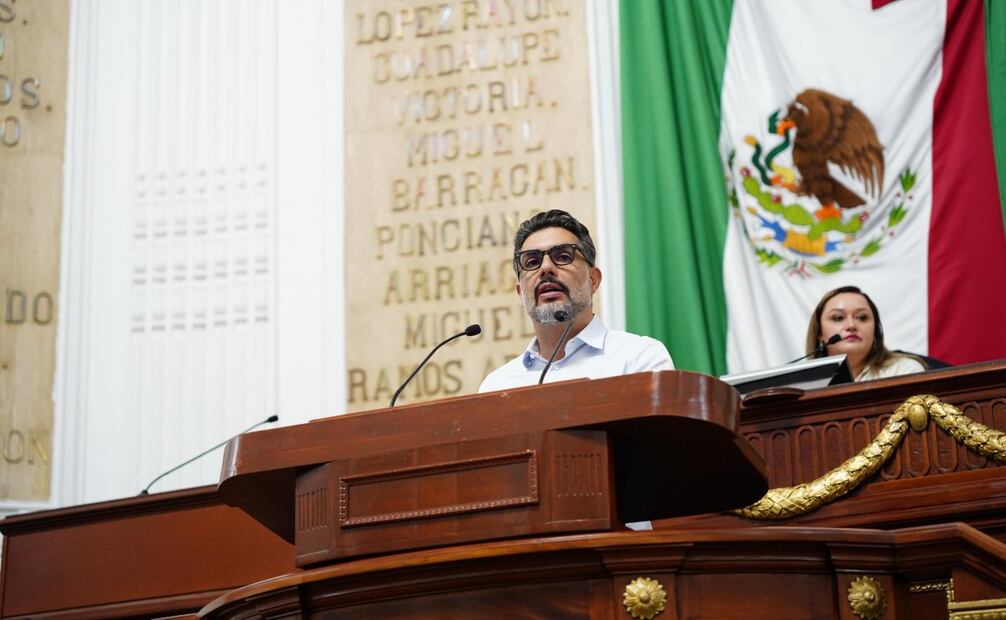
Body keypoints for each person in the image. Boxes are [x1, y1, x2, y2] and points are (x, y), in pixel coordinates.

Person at [479, 210, 673, 393]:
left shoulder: (638, 359)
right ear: (521, 292)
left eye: (563, 257)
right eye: (532, 262)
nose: (545, 268)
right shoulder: (497, 386)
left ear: (593, 280)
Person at [806, 285, 926, 381]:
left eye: (862, 317)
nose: (851, 325)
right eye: (838, 318)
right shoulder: (803, 383)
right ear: (819, 332)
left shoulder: (904, 371)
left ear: (875, 330)